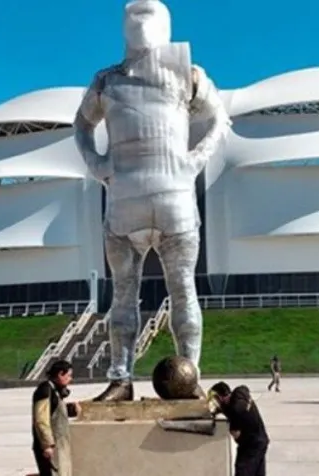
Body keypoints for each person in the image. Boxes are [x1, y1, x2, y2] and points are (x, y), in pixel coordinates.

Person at [74, 0, 231, 402]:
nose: (140, 23)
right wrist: (96, 164)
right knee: (124, 295)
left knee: (182, 290)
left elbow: (218, 118)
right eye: (133, 16)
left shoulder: (186, 74)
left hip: (171, 195)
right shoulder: (106, 81)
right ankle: (121, 377)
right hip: (126, 200)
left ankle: (188, 376)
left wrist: (194, 161)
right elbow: (82, 124)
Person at [28, 360, 82, 476]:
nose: (70, 379)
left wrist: (72, 409)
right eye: (69, 375)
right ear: (60, 374)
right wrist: (47, 445)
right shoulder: (45, 390)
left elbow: (56, 413)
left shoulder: (54, 391)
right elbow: (41, 419)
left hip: (55, 448)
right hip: (49, 449)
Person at [210, 382, 269, 476]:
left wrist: (223, 411)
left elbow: (236, 434)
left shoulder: (234, 411)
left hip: (250, 445)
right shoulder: (241, 392)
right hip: (261, 440)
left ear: (221, 397)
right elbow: (243, 396)